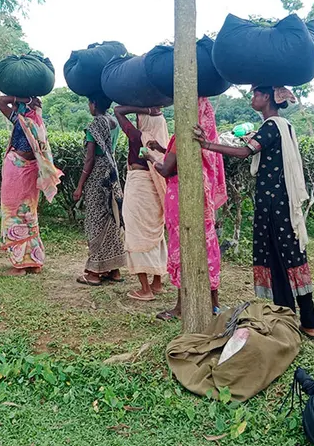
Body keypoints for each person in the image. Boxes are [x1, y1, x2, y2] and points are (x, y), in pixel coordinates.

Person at [195, 87, 314, 337]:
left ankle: (299, 321)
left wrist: (205, 144)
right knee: (287, 256)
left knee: (283, 257)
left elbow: (243, 152)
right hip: (277, 201)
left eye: (256, 95)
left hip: (275, 204)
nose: (252, 99)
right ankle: (299, 320)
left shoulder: (272, 126)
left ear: (268, 98)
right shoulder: (281, 125)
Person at [152, 97, 226, 321]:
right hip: (202, 197)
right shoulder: (206, 138)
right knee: (207, 244)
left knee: (180, 245)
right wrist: (162, 148)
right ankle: (214, 303)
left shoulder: (182, 135)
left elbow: (166, 169)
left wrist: (152, 158)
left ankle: (180, 306)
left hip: (180, 196)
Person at [0, 95, 63, 276]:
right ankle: (31, 261)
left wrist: (20, 99)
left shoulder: (26, 121)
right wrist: (20, 99)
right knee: (25, 214)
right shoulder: (31, 122)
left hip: (21, 172)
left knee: (17, 214)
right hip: (22, 172)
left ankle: (23, 263)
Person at [113, 105, 168, 301]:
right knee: (155, 233)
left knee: (136, 234)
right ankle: (157, 282)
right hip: (154, 188)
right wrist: (151, 111)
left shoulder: (138, 137)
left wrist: (143, 108)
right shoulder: (162, 143)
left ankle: (145, 289)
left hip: (139, 186)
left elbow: (118, 110)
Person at [73, 95, 126, 286]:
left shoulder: (95, 125)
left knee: (95, 222)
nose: (89, 106)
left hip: (97, 177)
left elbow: (89, 159)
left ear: (94, 104)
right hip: (112, 174)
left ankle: (94, 272)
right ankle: (114, 270)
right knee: (111, 219)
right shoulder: (113, 122)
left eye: (89, 102)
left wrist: (79, 186)